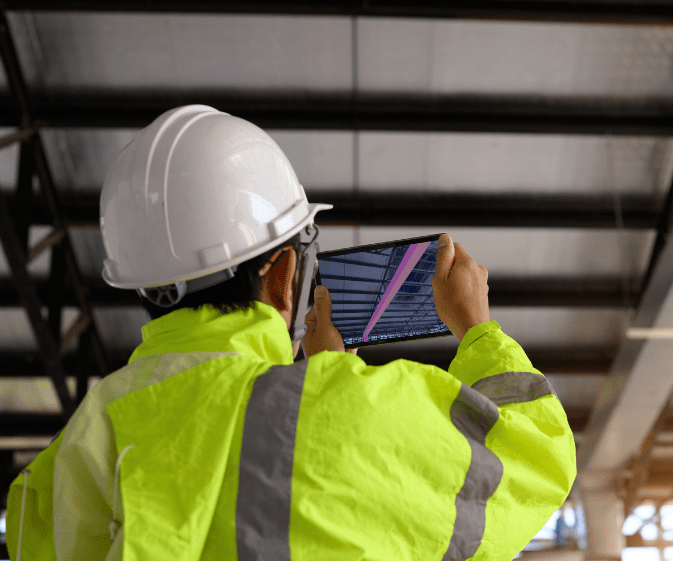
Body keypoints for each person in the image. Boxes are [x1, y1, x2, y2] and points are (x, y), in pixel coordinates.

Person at [5, 105, 576, 561]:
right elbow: (537, 458)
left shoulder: (62, 464)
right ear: (282, 274)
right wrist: (475, 327)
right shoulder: (346, 414)